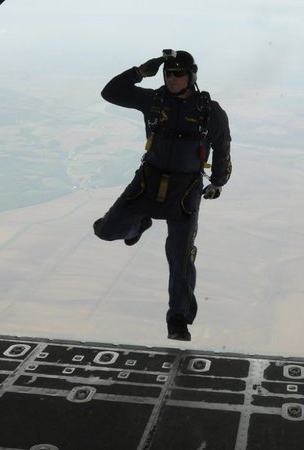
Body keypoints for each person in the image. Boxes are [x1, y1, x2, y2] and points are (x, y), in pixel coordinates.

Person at [93, 50, 232, 341]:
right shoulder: (154, 100)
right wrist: (141, 72)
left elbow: (222, 145)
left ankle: (178, 319)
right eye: (168, 73)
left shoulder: (208, 109)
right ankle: (139, 224)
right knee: (106, 231)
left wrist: (218, 182)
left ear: (191, 75)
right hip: (148, 181)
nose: (172, 79)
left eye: (178, 73)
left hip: (186, 190)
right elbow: (111, 93)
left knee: (180, 257)